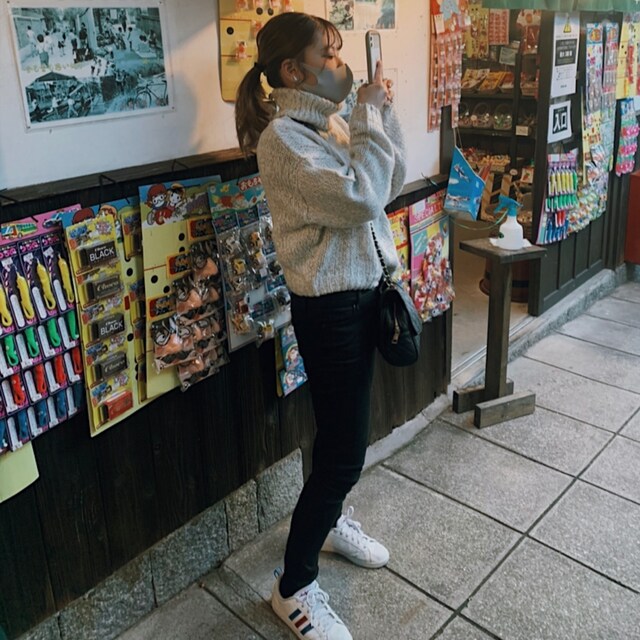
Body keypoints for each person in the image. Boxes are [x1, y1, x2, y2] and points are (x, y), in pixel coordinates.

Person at [235, 12, 405, 640]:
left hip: (361, 299)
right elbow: (360, 198)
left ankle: (329, 523)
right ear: (292, 71)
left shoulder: (330, 123)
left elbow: (387, 183)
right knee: (343, 454)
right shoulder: (283, 140)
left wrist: (380, 113)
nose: (342, 64)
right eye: (329, 55)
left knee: (338, 438)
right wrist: (367, 117)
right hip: (331, 311)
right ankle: (293, 587)